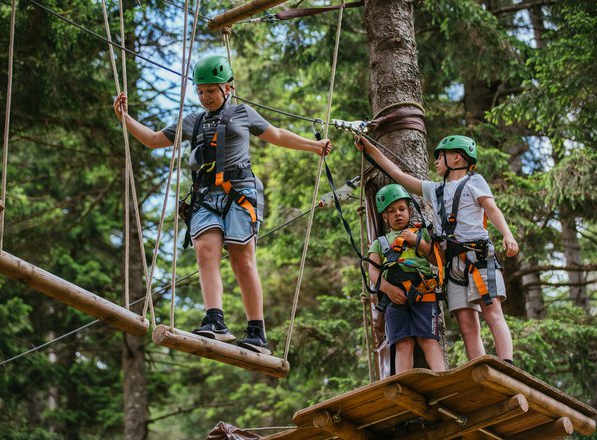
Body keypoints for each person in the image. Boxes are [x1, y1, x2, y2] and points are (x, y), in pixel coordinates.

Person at [113, 55, 332, 355]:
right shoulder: (192, 121)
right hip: (205, 195)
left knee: (241, 259)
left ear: (227, 88)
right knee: (205, 252)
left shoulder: (244, 113)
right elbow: (152, 140)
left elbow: (277, 135)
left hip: (239, 192)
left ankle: (257, 331)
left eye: (211, 91)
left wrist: (314, 146)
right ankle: (215, 320)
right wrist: (124, 118)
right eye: (200, 91)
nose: (205, 97)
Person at [356, 135, 518, 364]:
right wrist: (371, 150)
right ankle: (480, 367)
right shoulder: (435, 190)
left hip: (478, 255)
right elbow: (399, 176)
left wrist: (507, 234)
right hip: (452, 263)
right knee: (466, 322)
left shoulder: (475, 181)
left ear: (456, 157)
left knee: (492, 313)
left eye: (440, 156)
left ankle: (507, 362)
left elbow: (491, 209)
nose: (436, 162)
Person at [367, 184, 446, 373]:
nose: (398, 214)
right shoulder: (380, 243)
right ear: (384, 217)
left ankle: (442, 375)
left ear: (409, 210)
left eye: (402, 209)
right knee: (403, 343)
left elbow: (439, 260)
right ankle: (405, 382)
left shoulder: (421, 233)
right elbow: (373, 271)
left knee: (428, 339)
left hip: (422, 293)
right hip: (393, 298)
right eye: (391, 211)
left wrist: (417, 241)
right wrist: (388, 289)